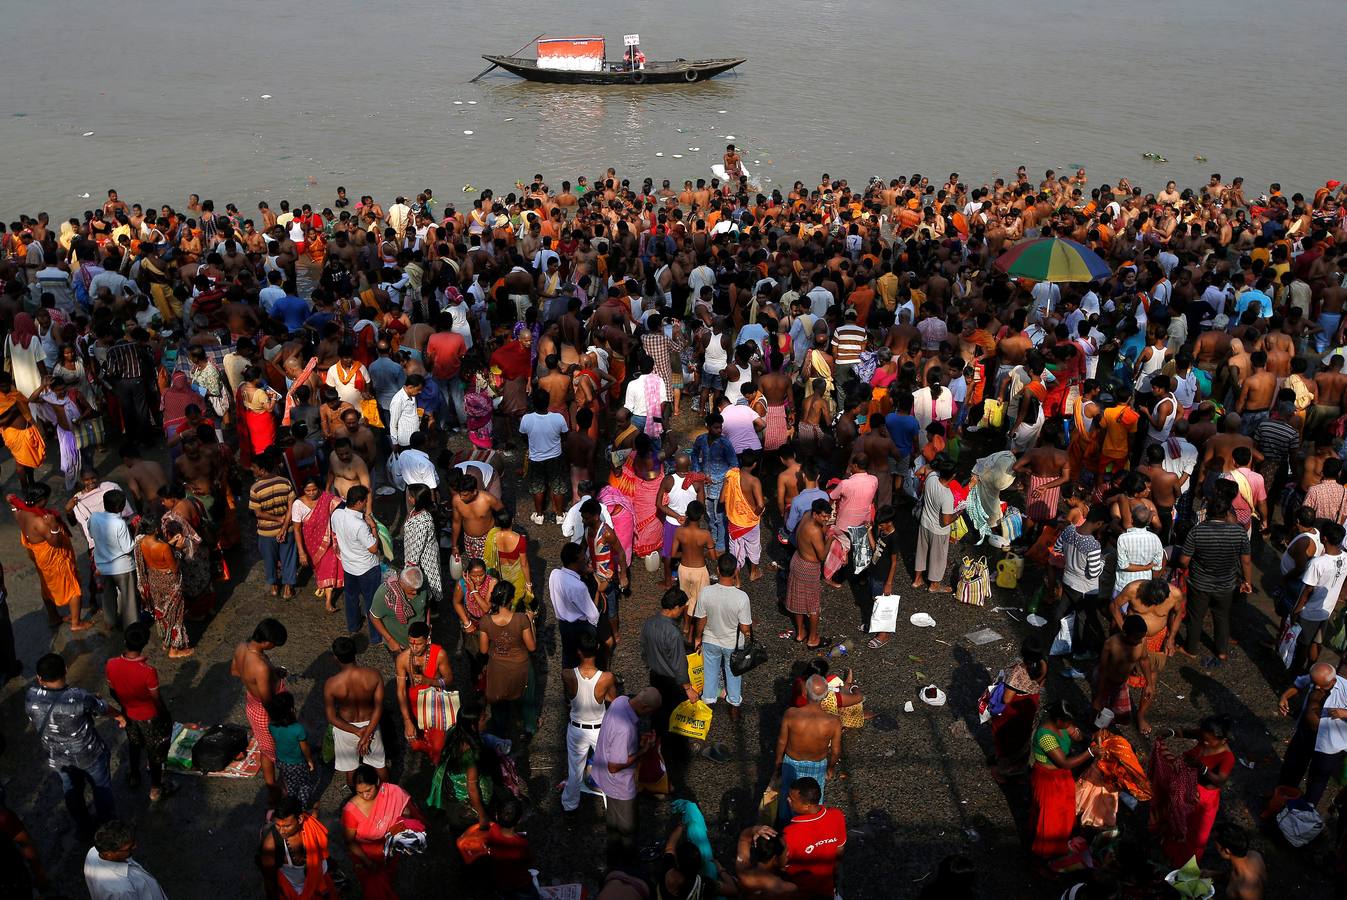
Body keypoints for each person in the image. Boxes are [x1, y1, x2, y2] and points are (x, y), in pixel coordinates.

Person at [26, 652, 122, 839]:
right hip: (89, 754)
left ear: (39, 678)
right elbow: (102, 708)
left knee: (71, 790)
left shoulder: (30, 696)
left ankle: (83, 827)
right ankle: (108, 825)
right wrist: (119, 716)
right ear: (66, 670)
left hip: (59, 758)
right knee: (101, 788)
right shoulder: (79, 697)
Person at [1177, 493, 1252, 663]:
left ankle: (1191, 649)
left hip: (1199, 583)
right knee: (1222, 616)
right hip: (1226, 584)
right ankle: (1222, 651)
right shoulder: (1239, 532)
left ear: (1208, 512)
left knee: (1196, 616)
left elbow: (1183, 561)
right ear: (1227, 513)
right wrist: (1247, 582)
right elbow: (1246, 562)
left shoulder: (1196, 531)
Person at [592, 687, 662, 866]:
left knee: (613, 825)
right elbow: (615, 766)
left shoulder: (620, 701)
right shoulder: (626, 729)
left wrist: (638, 741)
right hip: (619, 784)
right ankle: (628, 865)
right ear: (646, 708)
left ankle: (613, 861)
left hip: (604, 777)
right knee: (628, 828)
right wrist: (643, 751)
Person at [1152, 716, 1235, 866]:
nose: (1205, 743)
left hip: (1204, 800)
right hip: (1186, 789)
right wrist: (1169, 733)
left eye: (1209, 741)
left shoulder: (1227, 757)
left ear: (1223, 740)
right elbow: (1185, 733)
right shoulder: (1204, 736)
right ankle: (1170, 852)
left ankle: (1184, 867)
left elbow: (1220, 780)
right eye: (1203, 739)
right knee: (1176, 821)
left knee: (1195, 836)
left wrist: (1201, 768)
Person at [105, 622, 173, 801]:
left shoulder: (111, 664)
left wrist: (125, 705)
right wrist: (166, 717)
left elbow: (112, 690)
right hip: (149, 717)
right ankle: (155, 789)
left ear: (125, 640)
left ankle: (134, 775)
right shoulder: (148, 672)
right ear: (144, 644)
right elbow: (156, 699)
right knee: (154, 751)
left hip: (128, 712)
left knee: (134, 744)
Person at [11, 483, 87, 631]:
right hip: (54, 558)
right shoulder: (39, 521)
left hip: (40, 558)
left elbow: (14, 508)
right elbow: (56, 543)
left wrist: (12, 503)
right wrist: (54, 526)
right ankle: (76, 624)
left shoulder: (20, 512)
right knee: (73, 588)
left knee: (46, 586)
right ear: (42, 499)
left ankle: (54, 617)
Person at [342, 763, 424, 899]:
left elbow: (406, 813)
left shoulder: (391, 792)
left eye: (368, 790)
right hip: (365, 858)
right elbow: (349, 841)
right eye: (359, 792)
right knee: (373, 891)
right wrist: (368, 863)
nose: (365, 795)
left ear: (378, 782)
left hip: (389, 852)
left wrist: (397, 833)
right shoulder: (351, 811)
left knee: (387, 880)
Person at [231, 617, 289, 806]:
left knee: (266, 751)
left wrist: (260, 678)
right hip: (266, 713)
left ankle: (271, 787)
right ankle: (275, 790)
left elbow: (235, 672)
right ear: (267, 642)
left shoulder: (242, 647)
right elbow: (268, 701)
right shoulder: (260, 666)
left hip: (252, 704)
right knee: (277, 752)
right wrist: (280, 723)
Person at [1029, 700, 1096, 860]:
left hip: (1061, 777)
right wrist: (1090, 752)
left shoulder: (1063, 725)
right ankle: (1042, 858)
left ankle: (1059, 846)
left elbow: (1077, 735)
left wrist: (1092, 737)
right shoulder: (1045, 735)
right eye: (1067, 722)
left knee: (1064, 811)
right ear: (1058, 720)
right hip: (1048, 780)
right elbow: (1064, 762)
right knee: (1050, 818)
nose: (1069, 725)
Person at [773, 674, 842, 825]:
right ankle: (810, 825)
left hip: (792, 762)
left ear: (805, 693)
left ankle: (786, 825)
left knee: (789, 796)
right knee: (812, 799)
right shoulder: (833, 721)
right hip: (817, 765)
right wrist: (830, 767)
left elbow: (781, 741)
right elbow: (836, 751)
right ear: (825, 696)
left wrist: (778, 763)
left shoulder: (791, 714)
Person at [561, 630, 616, 816]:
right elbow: (612, 700)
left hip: (576, 727)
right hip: (600, 729)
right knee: (607, 767)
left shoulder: (567, 674)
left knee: (574, 769)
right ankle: (614, 806)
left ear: (578, 651)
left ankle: (570, 805)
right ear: (598, 648)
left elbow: (570, 696)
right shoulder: (607, 677)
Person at [693, 554, 754, 723]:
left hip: (710, 640)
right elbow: (745, 628)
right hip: (732, 644)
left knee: (710, 672)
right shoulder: (742, 598)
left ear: (717, 570)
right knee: (733, 674)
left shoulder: (706, 592)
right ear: (735, 571)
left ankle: (708, 703)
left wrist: (698, 637)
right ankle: (734, 705)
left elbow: (701, 619)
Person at [1276, 661, 1347, 806]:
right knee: (1292, 767)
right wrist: (1284, 696)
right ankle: (1280, 799)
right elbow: (1298, 684)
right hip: (1306, 733)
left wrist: (1344, 713)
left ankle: (1305, 811)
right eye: (1315, 683)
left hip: (1329, 745)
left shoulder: (1345, 689)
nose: (1317, 687)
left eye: (1322, 685)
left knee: (1317, 779)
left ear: (1333, 680)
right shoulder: (1316, 678)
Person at [324, 636, 388, 790]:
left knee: (350, 767)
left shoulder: (332, 684)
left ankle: (356, 796)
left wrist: (358, 732)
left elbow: (332, 717)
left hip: (346, 729)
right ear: (355, 653)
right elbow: (378, 708)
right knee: (379, 764)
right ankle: (388, 793)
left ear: (335, 658)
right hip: (370, 726)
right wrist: (366, 735)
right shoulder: (374, 675)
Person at [479, 581, 537, 741]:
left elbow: (483, 650)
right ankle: (528, 728)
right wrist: (531, 621)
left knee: (499, 704)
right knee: (527, 700)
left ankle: (501, 731)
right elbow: (532, 647)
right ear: (511, 600)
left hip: (497, 668)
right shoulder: (521, 619)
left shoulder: (485, 621)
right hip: (521, 667)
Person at [1289, 521, 1347, 674]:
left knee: (1302, 645)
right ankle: (1310, 670)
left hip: (1310, 612)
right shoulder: (1345, 558)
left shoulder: (1318, 563)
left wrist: (1297, 610)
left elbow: (1307, 590)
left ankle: (1295, 674)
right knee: (1317, 642)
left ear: (1325, 539)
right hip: (1326, 609)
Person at [987, 641, 1047, 783]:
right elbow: (1040, 684)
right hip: (1030, 705)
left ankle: (1001, 771)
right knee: (1023, 737)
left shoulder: (1018, 671)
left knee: (1005, 738)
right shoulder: (1043, 665)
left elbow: (1007, 699)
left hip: (1014, 709)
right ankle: (1020, 767)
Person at [258, 796, 338, 900]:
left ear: (300, 819)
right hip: (296, 892)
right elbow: (269, 881)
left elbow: (315, 807)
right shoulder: (270, 845)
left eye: (287, 826)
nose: (281, 831)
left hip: (320, 879)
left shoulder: (310, 822)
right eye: (278, 825)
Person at [395, 621, 453, 764]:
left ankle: (438, 764)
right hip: (414, 705)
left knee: (439, 745)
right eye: (411, 643)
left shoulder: (439, 655)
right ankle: (430, 752)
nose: (414, 648)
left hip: (435, 704)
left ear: (427, 640)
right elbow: (401, 691)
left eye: (419, 644)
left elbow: (449, 680)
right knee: (415, 743)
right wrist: (407, 721)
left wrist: (430, 681)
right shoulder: (402, 659)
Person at [779, 777, 847, 900]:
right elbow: (840, 849)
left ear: (807, 806)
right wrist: (835, 874)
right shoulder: (837, 815)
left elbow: (782, 865)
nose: (787, 800)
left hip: (801, 892)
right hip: (827, 887)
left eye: (792, 799)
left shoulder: (790, 833)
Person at [331, 484, 383, 643]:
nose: (367, 504)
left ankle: (353, 626)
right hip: (367, 568)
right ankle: (376, 636)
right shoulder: (360, 525)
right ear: (359, 502)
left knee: (351, 597)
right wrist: (373, 526)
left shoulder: (337, 515)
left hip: (348, 565)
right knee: (372, 602)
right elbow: (374, 548)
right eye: (366, 501)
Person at [250, 449, 299, 599]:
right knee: (289, 557)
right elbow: (292, 506)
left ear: (262, 470)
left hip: (266, 532)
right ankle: (288, 588)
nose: (252, 470)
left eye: (254, 468)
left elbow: (258, 513)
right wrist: (284, 525)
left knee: (269, 559)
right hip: (287, 529)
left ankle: (273, 586)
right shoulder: (285, 482)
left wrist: (277, 520)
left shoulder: (255, 488)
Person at [89, 488, 139, 630]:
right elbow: (128, 548)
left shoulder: (94, 517)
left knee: (108, 595)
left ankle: (110, 622)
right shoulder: (120, 524)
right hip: (122, 567)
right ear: (120, 507)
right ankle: (131, 626)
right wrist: (136, 533)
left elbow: (92, 535)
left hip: (103, 567)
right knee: (128, 597)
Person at [293, 477, 344, 611]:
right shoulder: (298, 504)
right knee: (320, 569)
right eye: (307, 490)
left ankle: (328, 602)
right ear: (302, 490)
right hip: (311, 543)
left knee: (329, 567)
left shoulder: (326, 498)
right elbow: (297, 530)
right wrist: (301, 552)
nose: (311, 493)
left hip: (328, 541)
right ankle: (324, 587)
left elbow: (341, 506)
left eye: (314, 489)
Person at [520, 389, 570, 524]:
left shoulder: (526, 419)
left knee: (537, 487)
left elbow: (523, 437)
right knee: (557, 485)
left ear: (533, 403)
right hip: (555, 457)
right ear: (548, 402)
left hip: (536, 459)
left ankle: (539, 515)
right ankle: (560, 515)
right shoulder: (558, 418)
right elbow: (565, 436)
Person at [85, 820, 169, 900]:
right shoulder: (121, 891)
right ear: (109, 854)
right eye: (129, 848)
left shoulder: (93, 852)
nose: (135, 846)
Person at [786, 499, 830, 649]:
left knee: (798, 601)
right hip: (809, 568)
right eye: (823, 516)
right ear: (815, 514)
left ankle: (800, 633)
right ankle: (812, 639)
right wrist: (831, 539)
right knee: (813, 606)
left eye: (828, 516)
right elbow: (822, 555)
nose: (826, 519)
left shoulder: (806, 516)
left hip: (797, 560)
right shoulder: (815, 530)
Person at [550, 541, 600, 668]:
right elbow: (593, 615)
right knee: (585, 660)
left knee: (568, 657)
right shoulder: (578, 586)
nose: (586, 561)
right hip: (580, 627)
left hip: (563, 625)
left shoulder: (554, 574)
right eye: (583, 559)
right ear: (575, 562)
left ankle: (568, 683)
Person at [912, 454, 957, 593]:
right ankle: (934, 585)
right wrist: (957, 514)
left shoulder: (931, 477)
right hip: (938, 530)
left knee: (921, 552)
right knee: (938, 558)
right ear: (953, 476)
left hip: (925, 523)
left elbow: (922, 469)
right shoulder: (947, 495)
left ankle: (917, 580)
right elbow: (946, 521)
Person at [268, 692, 319, 811]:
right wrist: (309, 760)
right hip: (297, 763)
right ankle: (300, 809)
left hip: (282, 761)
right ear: (291, 710)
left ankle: (290, 803)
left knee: (290, 785)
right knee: (304, 786)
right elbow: (304, 747)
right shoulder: (298, 729)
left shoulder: (271, 726)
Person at [485, 797, 539, 899]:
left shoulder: (493, 829)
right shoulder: (520, 844)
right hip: (519, 882)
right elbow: (529, 859)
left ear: (497, 816)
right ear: (519, 820)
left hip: (501, 880)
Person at [369, 564, 430, 653]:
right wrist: (390, 640)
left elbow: (427, 604)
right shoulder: (384, 593)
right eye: (412, 589)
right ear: (401, 583)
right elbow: (374, 617)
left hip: (421, 641)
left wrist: (427, 624)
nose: (416, 592)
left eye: (417, 589)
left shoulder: (422, 583)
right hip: (398, 644)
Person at [1213, 824, 1266, 900]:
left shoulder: (1247, 891)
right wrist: (1213, 874)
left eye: (1215, 843)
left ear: (1226, 851)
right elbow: (1235, 876)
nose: (1214, 845)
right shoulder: (1254, 855)